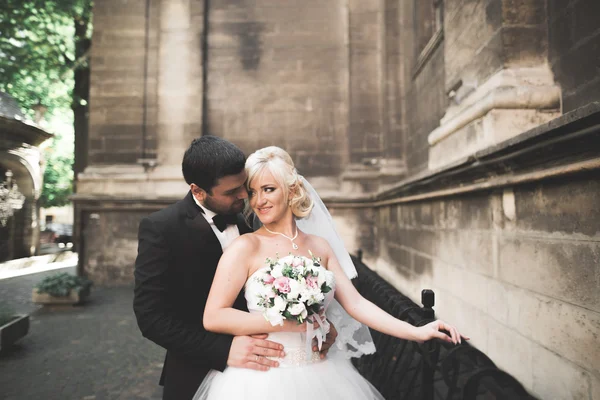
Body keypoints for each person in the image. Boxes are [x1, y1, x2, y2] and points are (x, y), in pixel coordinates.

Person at [194, 146, 469, 400]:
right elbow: (214, 316)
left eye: (268, 189)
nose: (258, 201)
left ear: (291, 190)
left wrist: (417, 331)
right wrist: (286, 323)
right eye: (252, 192)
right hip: (263, 378)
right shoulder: (246, 246)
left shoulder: (319, 246)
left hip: (323, 373)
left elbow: (357, 304)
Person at [133, 137, 338, 400]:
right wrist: (224, 349)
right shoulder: (162, 228)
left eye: (244, 186)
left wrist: (314, 320)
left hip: (277, 371)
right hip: (196, 369)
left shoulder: (251, 219)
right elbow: (151, 318)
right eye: (232, 192)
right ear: (198, 191)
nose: (245, 197)